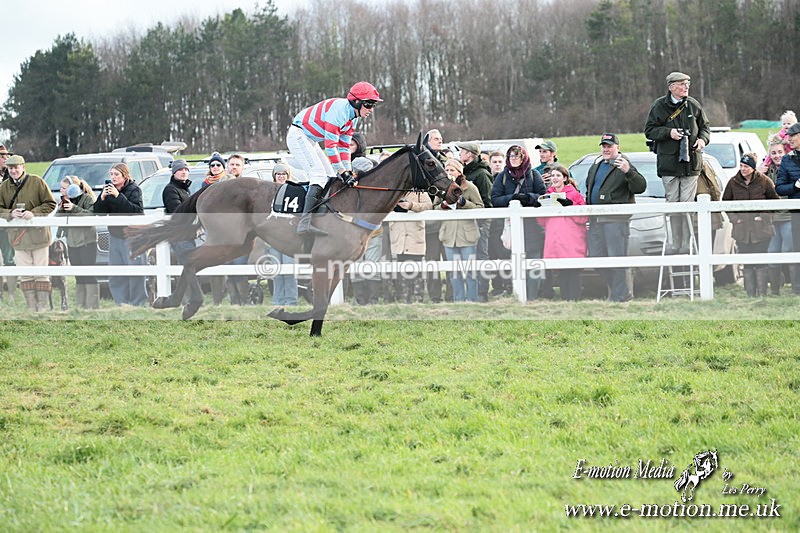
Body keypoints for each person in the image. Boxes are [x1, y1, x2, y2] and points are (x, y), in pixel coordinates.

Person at [288, 81, 382, 236]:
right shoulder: (338, 113)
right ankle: (304, 223)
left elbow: (344, 147)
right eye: (369, 104)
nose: (371, 109)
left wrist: (348, 171)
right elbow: (331, 147)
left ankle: (321, 217)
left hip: (310, 139)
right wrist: (343, 172)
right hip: (298, 135)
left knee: (331, 176)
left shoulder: (354, 117)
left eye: (373, 105)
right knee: (318, 175)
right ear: (356, 102)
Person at [644, 71, 711, 254]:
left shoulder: (693, 105)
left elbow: (705, 127)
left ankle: (686, 245)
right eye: (682, 84)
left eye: (687, 84)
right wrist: (668, 133)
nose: (686, 87)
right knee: (673, 204)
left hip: (691, 164)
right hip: (669, 164)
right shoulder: (659, 106)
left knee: (687, 205)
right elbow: (649, 131)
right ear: (672, 87)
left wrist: (702, 140)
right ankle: (675, 243)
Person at [584, 134, 647, 303]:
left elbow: (640, 186)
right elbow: (589, 190)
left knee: (616, 259)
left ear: (617, 147)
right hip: (595, 220)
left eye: (609, 146)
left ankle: (618, 296)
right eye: (603, 146)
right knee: (597, 260)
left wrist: (629, 171)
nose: (606, 149)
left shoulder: (623, 164)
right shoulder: (596, 165)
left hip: (615, 221)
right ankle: (623, 291)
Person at [0, 155, 56, 311]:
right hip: (18, 238)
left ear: (23, 167)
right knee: (25, 274)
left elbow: (50, 203)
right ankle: (31, 308)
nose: (13, 170)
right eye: (10, 168)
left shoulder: (37, 182)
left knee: (41, 273)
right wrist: (10, 213)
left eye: (16, 167)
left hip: (39, 237)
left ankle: (42, 308)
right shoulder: (4, 187)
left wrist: (34, 213)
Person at [490, 145, 547, 300]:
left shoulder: (534, 175)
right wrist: (512, 198)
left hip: (532, 226)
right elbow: (494, 199)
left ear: (523, 157)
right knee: (513, 260)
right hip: (510, 226)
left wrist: (528, 197)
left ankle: (532, 296)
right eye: (511, 156)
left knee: (533, 261)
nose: (514, 159)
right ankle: (517, 293)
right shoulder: (502, 177)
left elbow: (543, 197)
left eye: (517, 156)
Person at [722, 153, 779, 297]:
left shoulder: (764, 181)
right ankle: (750, 294)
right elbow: (725, 202)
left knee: (761, 260)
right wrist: (735, 219)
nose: (743, 169)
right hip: (742, 230)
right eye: (741, 166)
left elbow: (775, 201)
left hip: (761, 229)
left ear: (753, 168)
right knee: (747, 261)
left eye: (746, 166)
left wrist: (764, 216)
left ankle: (762, 294)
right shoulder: (733, 182)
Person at [93, 163, 147, 306]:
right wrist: (102, 198)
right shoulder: (108, 190)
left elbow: (136, 211)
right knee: (116, 272)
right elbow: (98, 213)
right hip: (115, 235)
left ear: (125, 175)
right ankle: (121, 303)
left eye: (116, 174)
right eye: (111, 174)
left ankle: (138, 303)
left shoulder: (135, 190)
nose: (113, 177)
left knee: (135, 271)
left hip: (132, 236)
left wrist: (118, 196)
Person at [435, 159, 483, 302]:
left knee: (470, 271)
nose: (449, 173)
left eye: (452, 170)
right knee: (454, 272)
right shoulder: (441, 188)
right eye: (447, 170)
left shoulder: (470, 187)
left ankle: (472, 299)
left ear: (459, 172)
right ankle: (458, 300)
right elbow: (434, 208)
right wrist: (443, 206)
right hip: (449, 235)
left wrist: (464, 203)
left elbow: (480, 207)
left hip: (467, 235)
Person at [538, 165, 587, 301]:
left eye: (558, 175)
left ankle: (574, 298)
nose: (555, 178)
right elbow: (542, 221)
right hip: (554, 238)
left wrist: (570, 206)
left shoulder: (575, 195)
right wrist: (539, 208)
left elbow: (583, 217)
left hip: (572, 238)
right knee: (561, 271)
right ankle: (565, 299)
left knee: (573, 270)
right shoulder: (547, 197)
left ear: (565, 178)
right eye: (553, 175)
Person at [457, 142, 493, 301]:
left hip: (480, 222)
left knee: (481, 256)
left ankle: (482, 292)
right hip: (466, 223)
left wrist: (481, 222)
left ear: (469, 154)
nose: (459, 154)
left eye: (462, 151)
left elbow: (486, 201)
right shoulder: (466, 172)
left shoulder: (481, 175)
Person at [56, 176, 99, 309]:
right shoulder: (64, 201)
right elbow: (57, 219)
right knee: (79, 275)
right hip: (72, 243)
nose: (61, 190)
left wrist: (74, 208)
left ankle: (92, 307)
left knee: (88, 274)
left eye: (64, 188)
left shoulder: (87, 199)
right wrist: (61, 208)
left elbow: (92, 215)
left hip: (87, 243)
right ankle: (80, 306)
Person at [389, 187, 433, 304]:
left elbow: (429, 205)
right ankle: (404, 300)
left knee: (417, 272)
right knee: (402, 272)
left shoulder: (420, 192)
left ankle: (418, 300)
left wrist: (411, 205)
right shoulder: (393, 191)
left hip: (414, 237)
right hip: (399, 236)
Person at [760, 135, 791, 295]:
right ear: (769, 155)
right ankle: (775, 290)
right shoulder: (765, 173)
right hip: (772, 219)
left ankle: (795, 288)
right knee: (772, 252)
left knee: (789, 250)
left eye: (780, 152)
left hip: (788, 217)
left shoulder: (792, 168)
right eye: (774, 153)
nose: (777, 155)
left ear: (785, 152)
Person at [265, 164, 299, 306]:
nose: (281, 176)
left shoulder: (294, 191)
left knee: (290, 271)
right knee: (277, 272)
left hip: (289, 239)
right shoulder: (267, 192)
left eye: (284, 173)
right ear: (274, 176)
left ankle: (291, 301)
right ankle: (277, 301)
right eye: (278, 174)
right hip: (272, 239)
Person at [775, 121, 800, 295]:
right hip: (796, 213)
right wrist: (796, 186)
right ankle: (797, 287)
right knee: (797, 249)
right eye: (788, 136)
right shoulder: (787, 159)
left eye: (792, 136)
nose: (789, 139)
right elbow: (779, 187)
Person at [162, 159, 195, 266]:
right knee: (188, 263)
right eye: (180, 169)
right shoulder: (170, 189)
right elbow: (178, 212)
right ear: (174, 172)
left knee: (190, 264)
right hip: (179, 234)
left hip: (187, 233)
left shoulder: (185, 189)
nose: (184, 172)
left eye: (186, 169)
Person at [0, 145, 16, 302]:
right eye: (2, 155)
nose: (5, 158)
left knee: (9, 259)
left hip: (6, 224)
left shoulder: (12, 177)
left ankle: (11, 294)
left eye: (7, 155)